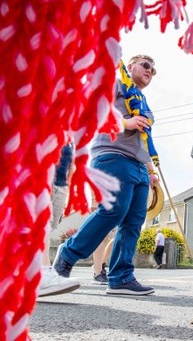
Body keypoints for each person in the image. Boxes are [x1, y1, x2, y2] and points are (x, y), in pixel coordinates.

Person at [53, 54, 159, 296]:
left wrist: (151, 171)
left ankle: (121, 277)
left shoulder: (141, 99)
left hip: (140, 165)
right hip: (113, 155)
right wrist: (126, 123)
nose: (150, 71)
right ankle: (67, 255)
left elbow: (145, 138)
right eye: (145, 65)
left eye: (153, 70)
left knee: (133, 222)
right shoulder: (115, 83)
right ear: (130, 65)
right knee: (113, 211)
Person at [38, 141, 81, 297]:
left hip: (61, 184)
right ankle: (43, 272)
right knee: (41, 220)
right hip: (42, 174)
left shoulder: (70, 139)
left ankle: (39, 272)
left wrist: (68, 185)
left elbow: (72, 164)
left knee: (48, 226)